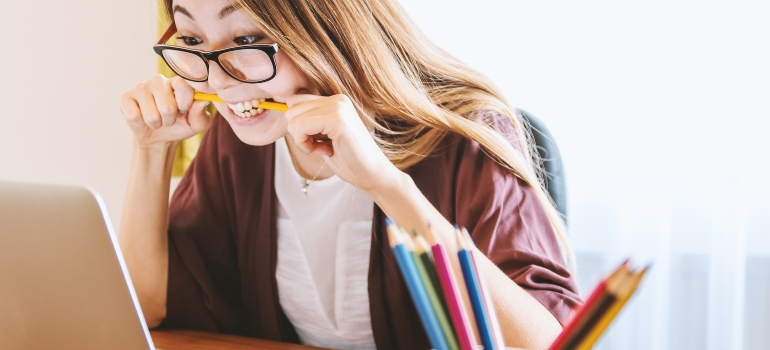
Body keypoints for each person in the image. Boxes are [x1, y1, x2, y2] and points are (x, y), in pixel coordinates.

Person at [118, 0, 581, 348]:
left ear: (325, 28)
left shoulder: (464, 136)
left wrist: (386, 184)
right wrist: (151, 150)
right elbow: (149, 305)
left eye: (246, 40)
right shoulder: (241, 141)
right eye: (194, 41)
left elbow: (547, 342)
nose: (217, 81)